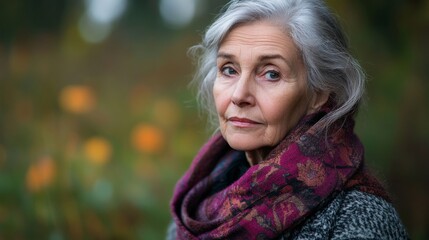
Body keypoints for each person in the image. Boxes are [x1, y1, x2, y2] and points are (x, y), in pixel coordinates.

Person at [168, 0, 408, 239]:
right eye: (229, 69)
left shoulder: (359, 220)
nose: (239, 95)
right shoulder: (199, 203)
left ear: (318, 93)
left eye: (271, 74)